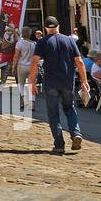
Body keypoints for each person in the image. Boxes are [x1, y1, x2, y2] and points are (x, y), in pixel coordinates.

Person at [29, 16, 88, 153]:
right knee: (69, 108)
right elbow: (79, 62)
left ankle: (59, 144)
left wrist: (32, 82)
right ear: (58, 27)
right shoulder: (69, 40)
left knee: (53, 113)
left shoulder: (42, 42)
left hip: (51, 83)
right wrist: (84, 81)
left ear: (45, 29)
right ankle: (76, 133)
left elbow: (34, 62)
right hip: (67, 81)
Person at [13, 28, 36, 106]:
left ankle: (24, 101)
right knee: (32, 84)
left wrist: (13, 67)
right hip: (32, 66)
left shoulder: (19, 43)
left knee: (21, 84)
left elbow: (16, 56)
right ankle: (32, 104)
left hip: (22, 65)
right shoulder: (34, 44)